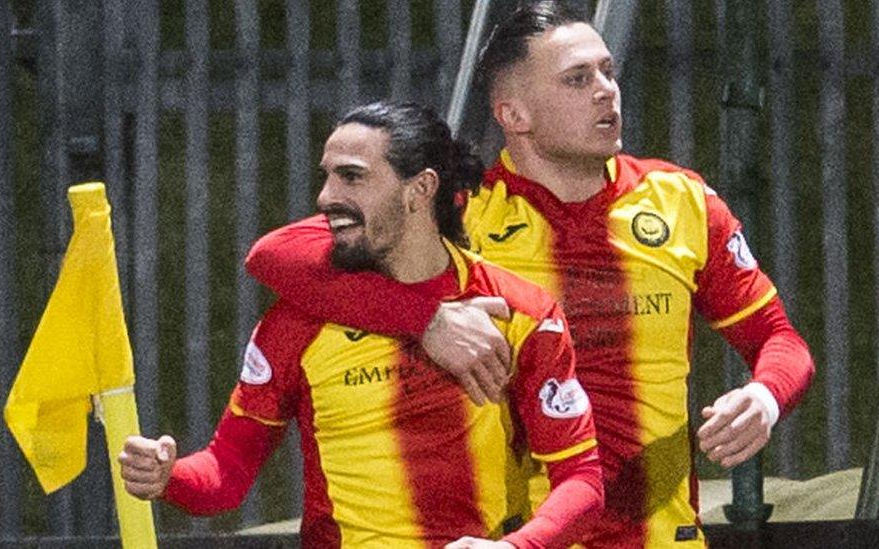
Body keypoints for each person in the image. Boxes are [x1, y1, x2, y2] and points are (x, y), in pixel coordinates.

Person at [243, 2, 815, 547]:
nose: (606, 90)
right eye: (576, 79)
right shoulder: (460, 213)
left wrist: (764, 398)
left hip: (664, 538)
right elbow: (275, 254)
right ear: (513, 115)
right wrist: (427, 317)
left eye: (608, 71)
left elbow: (780, 340)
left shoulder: (681, 202)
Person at [119, 101, 605, 548]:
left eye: (352, 177)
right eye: (327, 176)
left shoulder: (520, 311)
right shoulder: (297, 320)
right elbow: (227, 473)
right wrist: (169, 479)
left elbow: (581, 478)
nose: (326, 196)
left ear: (421, 189)